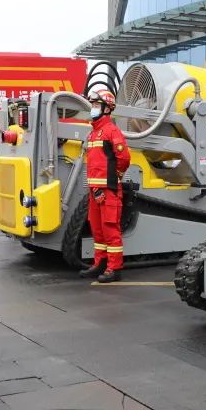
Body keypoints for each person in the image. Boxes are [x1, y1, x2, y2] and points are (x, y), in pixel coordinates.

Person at [78, 89, 131, 283]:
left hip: (108, 190)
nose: (93, 108)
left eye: (96, 105)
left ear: (107, 109)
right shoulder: (93, 133)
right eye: (92, 105)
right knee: (98, 230)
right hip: (95, 189)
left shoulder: (111, 131)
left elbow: (124, 158)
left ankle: (114, 268)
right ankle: (100, 263)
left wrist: (113, 178)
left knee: (110, 229)